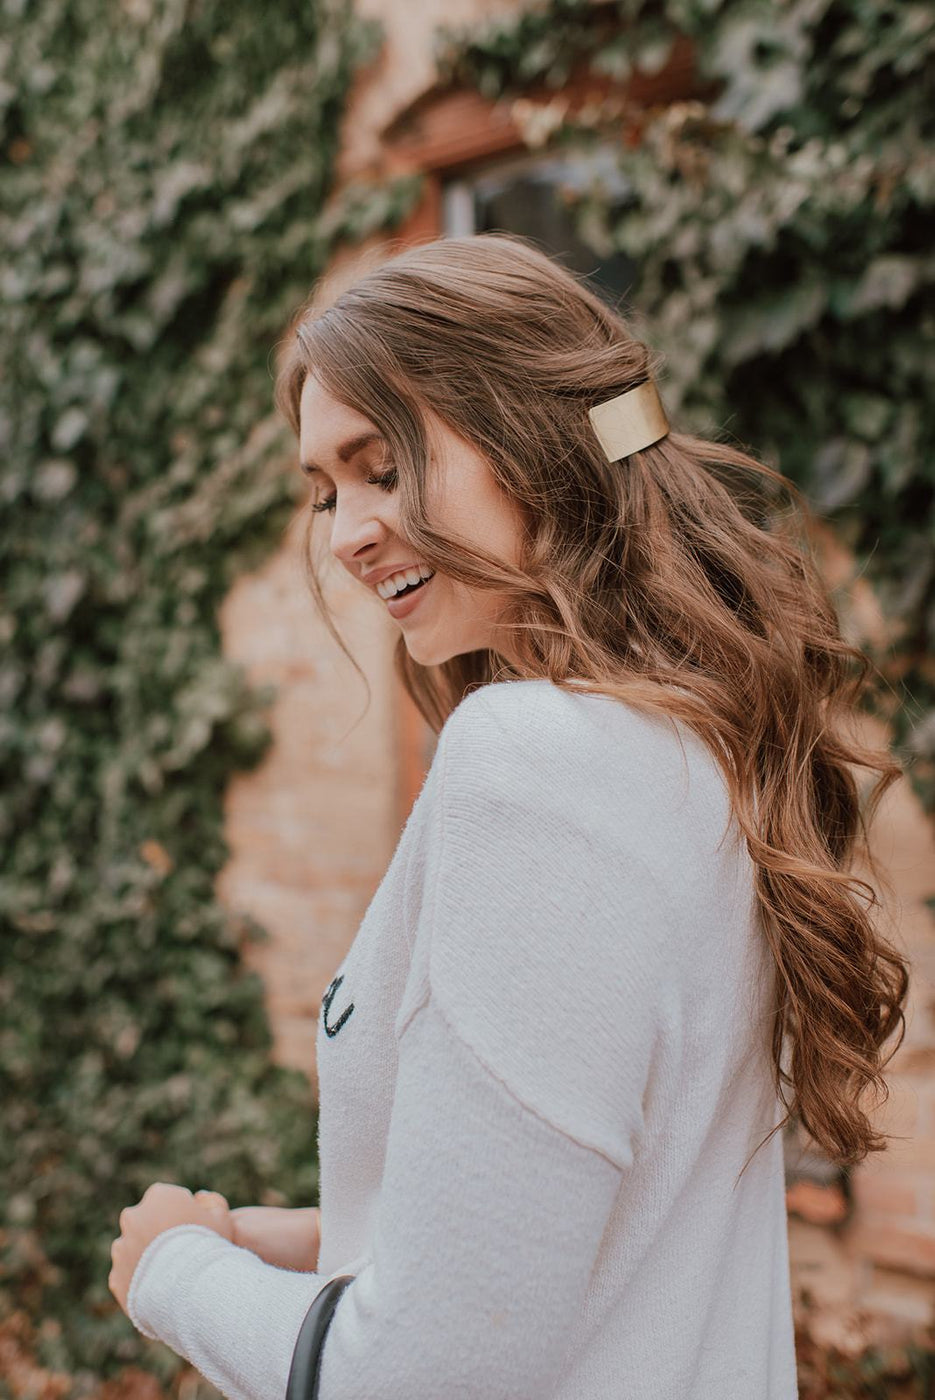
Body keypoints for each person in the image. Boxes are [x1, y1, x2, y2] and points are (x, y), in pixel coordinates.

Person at [108, 233, 909, 1399]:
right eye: (326, 490)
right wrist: (290, 1241)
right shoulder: (693, 747)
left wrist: (170, 1273)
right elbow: (586, 1231)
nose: (343, 532)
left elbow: (421, 1378)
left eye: (382, 466)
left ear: (532, 437)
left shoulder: (534, 763)